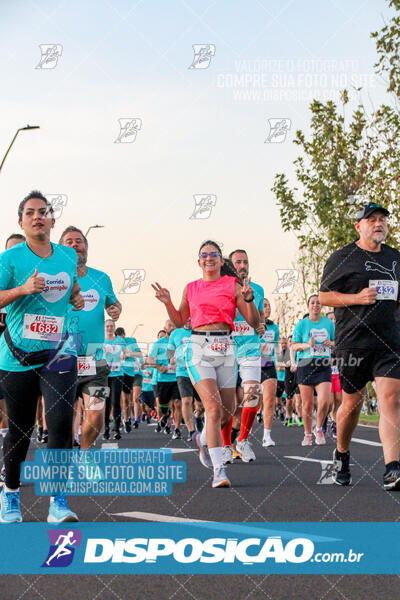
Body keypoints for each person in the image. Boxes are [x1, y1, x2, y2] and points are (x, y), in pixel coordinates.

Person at [0, 191, 84, 523]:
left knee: (61, 423)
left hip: (59, 352)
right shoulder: (10, 259)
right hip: (17, 356)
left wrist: (76, 298)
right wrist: (22, 289)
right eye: (30, 213)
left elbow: (72, 287)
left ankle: (58, 501)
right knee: (19, 431)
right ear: (21, 221)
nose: (38, 217)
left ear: (52, 220)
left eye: (44, 212)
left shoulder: (65, 255)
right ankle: (10, 495)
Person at [152, 240, 260, 488]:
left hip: (226, 347)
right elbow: (180, 321)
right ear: (199, 261)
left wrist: (249, 299)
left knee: (227, 411)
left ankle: (203, 436)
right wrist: (168, 302)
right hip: (199, 348)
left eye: (214, 255)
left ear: (222, 261)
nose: (209, 258)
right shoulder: (191, 288)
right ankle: (219, 471)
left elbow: (254, 322)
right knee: (212, 409)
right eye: (204, 255)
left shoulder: (233, 285)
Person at [320, 202, 400, 489]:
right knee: (352, 404)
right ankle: (341, 454)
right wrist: (357, 299)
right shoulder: (343, 257)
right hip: (353, 342)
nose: (378, 224)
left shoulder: (395, 258)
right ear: (358, 226)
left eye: (382, 220)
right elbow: (324, 297)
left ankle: (392, 467)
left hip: (389, 341)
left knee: (390, 398)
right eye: (371, 220)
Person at [60, 226, 121, 450]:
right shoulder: (57, 277)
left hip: (95, 361)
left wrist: (116, 309)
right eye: (69, 242)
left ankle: (85, 453)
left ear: (86, 247)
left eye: (79, 241)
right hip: (61, 359)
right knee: (61, 419)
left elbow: (113, 303)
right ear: (61, 248)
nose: (75, 245)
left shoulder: (101, 278)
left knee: (97, 415)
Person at [228, 249, 264, 464]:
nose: (243, 265)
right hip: (226, 349)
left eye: (245, 262)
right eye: (238, 262)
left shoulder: (257, 289)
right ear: (231, 266)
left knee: (252, 393)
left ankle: (242, 440)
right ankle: (225, 445)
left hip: (250, 348)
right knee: (230, 405)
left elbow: (258, 318)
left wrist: (259, 324)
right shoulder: (223, 288)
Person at [291, 295, 335, 446]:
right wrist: (306, 345)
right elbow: (293, 346)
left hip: (323, 364)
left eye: (318, 302)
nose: (316, 305)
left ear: (321, 306)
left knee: (325, 402)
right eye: (312, 302)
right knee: (307, 404)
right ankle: (307, 434)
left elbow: (339, 341)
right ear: (308, 306)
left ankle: (319, 429)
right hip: (305, 364)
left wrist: (331, 343)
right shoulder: (302, 325)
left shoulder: (329, 323)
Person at [148, 320, 181, 437]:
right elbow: (150, 360)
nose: (172, 328)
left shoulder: (180, 342)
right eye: (169, 325)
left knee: (177, 403)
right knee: (163, 405)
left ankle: (177, 429)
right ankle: (165, 415)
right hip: (163, 379)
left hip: (178, 378)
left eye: (174, 325)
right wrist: (158, 367)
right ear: (165, 328)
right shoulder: (158, 344)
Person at [167, 318, 196, 441]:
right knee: (186, 401)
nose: (189, 319)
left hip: (199, 371)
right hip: (182, 372)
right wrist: (171, 359)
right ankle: (191, 431)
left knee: (200, 405)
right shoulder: (175, 333)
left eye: (191, 316)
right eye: (186, 317)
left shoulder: (199, 330)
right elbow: (169, 352)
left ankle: (198, 418)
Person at [260, 299, 280, 446]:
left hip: (268, 364)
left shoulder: (274, 328)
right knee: (250, 402)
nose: (268, 308)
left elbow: (276, 347)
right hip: (251, 365)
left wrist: (279, 359)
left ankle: (267, 435)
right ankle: (242, 437)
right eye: (265, 305)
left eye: (269, 305)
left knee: (269, 400)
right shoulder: (250, 325)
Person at [115, 327, 143, 432]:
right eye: (119, 338)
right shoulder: (115, 342)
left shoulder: (131, 341)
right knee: (122, 398)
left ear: (124, 335)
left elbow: (139, 354)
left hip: (131, 372)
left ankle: (129, 419)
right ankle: (125, 420)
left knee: (129, 398)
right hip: (118, 372)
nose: (121, 339)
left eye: (122, 337)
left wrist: (128, 354)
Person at [102, 320, 125, 440]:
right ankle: (106, 428)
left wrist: (124, 355)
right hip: (104, 376)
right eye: (107, 326)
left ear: (114, 328)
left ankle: (116, 428)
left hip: (117, 374)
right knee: (105, 402)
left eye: (111, 326)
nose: (109, 328)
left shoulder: (120, 341)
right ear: (104, 328)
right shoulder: (101, 340)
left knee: (116, 401)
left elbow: (125, 353)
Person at [326, 311, 341, 439]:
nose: (333, 321)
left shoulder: (342, 333)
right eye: (330, 319)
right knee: (329, 402)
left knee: (339, 400)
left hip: (340, 370)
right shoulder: (324, 334)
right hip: (327, 372)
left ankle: (335, 424)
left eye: (335, 318)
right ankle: (324, 420)